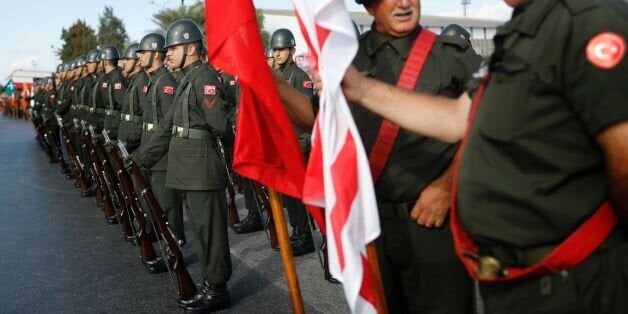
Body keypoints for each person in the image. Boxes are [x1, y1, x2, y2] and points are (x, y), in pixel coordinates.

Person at [336, 0, 628, 313]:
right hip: (515, 279)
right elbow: (460, 117)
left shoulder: (588, 20)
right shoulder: (521, 31)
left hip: (570, 277)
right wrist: (360, 88)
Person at [280, 0, 481, 311]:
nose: (404, 3)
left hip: (435, 224)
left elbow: (484, 128)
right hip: (370, 222)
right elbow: (322, 123)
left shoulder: (451, 54)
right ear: (371, 6)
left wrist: (445, 187)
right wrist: (270, 83)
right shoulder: (347, 58)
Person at [129, 19, 232, 313]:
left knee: (210, 230)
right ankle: (210, 283)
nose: (168, 53)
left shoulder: (205, 79)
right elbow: (166, 126)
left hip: (202, 167)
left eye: (172, 48)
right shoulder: (188, 79)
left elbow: (221, 126)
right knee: (201, 230)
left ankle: (218, 289)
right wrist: (141, 159)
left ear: (190, 47)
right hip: (189, 167)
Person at [135, 32, 186, 246]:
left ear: (156, 54)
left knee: (168, 206)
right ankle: (166, 245)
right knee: (156, 203)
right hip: (151, 150)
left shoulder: (165, 84)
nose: (139, 57)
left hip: (162, 156)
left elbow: (167, 125)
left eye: (143, 52)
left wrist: (151, 152)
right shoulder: (154, 81)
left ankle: (175, 248)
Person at [270, 28, 317, 256]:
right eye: (275, 50)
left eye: (282, 49)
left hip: (298, 144)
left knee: (299, 195)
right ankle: (298, 230)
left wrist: (303, 145)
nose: (277, 54)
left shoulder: (299, 77)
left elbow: (307, 114)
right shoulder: (276, 76)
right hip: (282, 143)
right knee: (289, 195)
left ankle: (305, 235)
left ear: (292, 51)